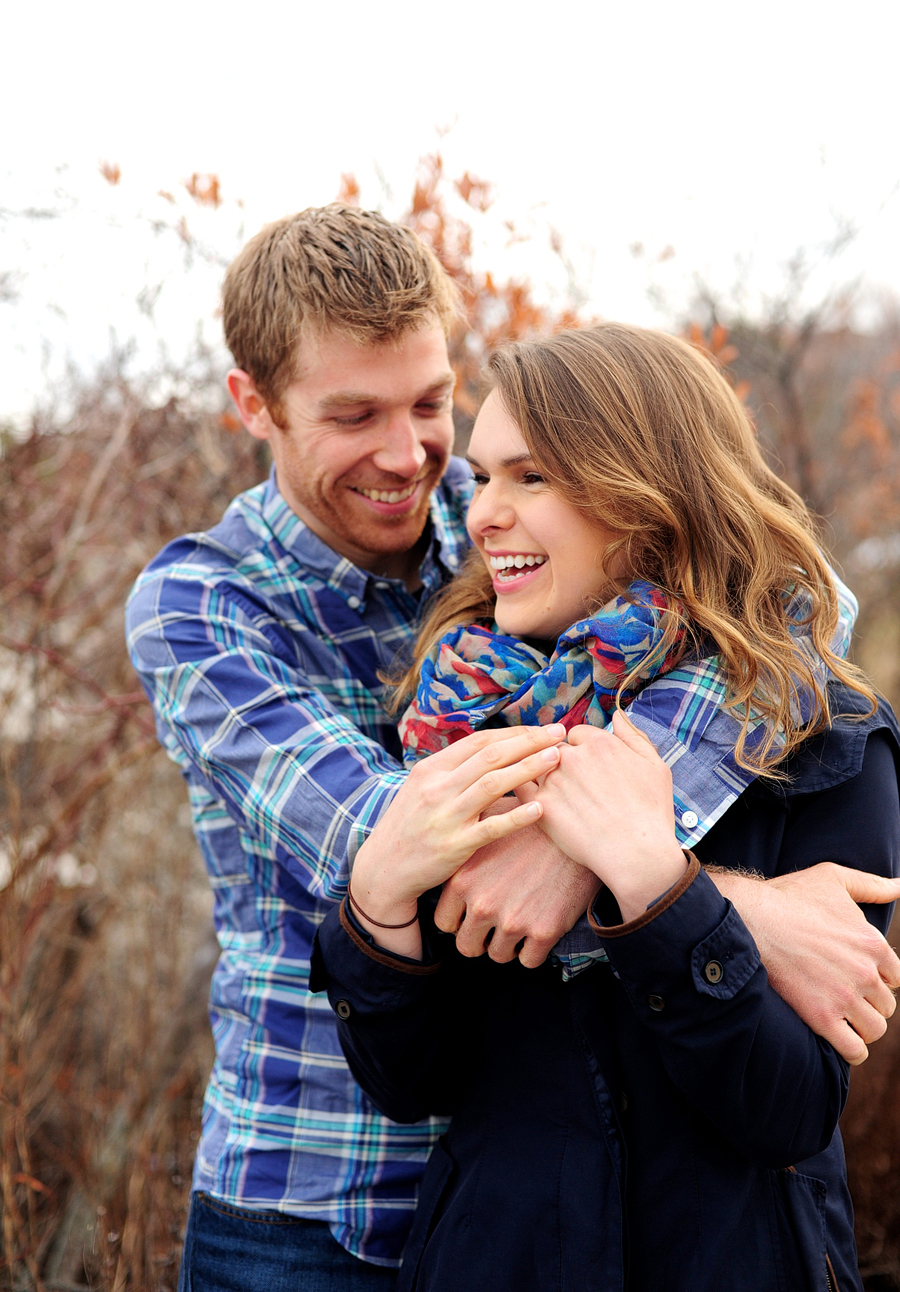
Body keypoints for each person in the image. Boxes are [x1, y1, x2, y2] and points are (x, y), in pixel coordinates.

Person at [125, 209, 900, 1292]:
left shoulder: (496, 513)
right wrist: (738, 905)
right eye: (354, 414)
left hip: (511, 1190)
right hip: (310, 1196)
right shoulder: (202, 603)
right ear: (252, 403)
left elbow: (790, 601)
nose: (410, 457)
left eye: (430, 403)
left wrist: (623, 843)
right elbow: (407, 847)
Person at [313, 323, 900, 1292]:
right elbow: (411, 1080)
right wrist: (375, 895)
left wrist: (656, 881)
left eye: (530, 478)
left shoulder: (825, 737)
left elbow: (791, 1108)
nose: (482, 515)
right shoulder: (454, 717)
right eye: (485, 477)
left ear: (651, 494)